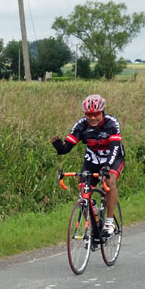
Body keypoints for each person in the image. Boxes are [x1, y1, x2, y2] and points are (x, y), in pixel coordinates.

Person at [51, 94, 125, 237]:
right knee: (82, 190)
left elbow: (115, 149)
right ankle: (94, 224)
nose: (92, 118)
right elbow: (67, 147)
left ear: (102, 112)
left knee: (109, 181)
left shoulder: (111, 124)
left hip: (113, 158)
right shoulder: (81, 125)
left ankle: (109, 223)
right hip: (92, 161)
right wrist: (59, 146)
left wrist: (107, 167)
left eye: (96, 114)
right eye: (89, 115)